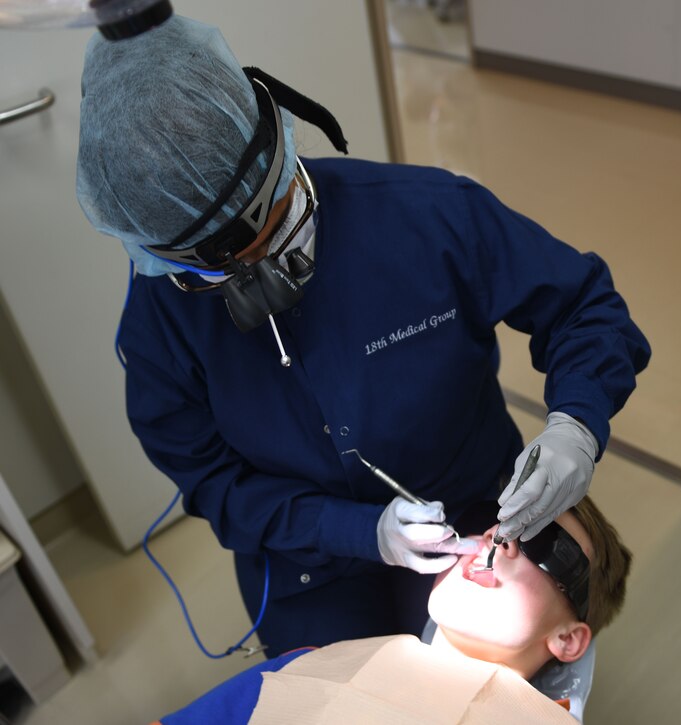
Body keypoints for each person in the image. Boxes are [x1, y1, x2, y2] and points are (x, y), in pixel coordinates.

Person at [76, 15, 650, 656]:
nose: (263, 277)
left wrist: (576, 421)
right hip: (309, 555)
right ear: (159, 254)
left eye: (275, 235)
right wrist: (357, 530)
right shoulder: (159, 328)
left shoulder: (426, 216)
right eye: (219, 272)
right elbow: (213, 482)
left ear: (280, 146)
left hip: (467, 502)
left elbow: (582, 304)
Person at [156, 496, 633, 724]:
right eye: (504, 524)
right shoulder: (309, 665)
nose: (500, 541)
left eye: (546, 545)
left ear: (568, 639)